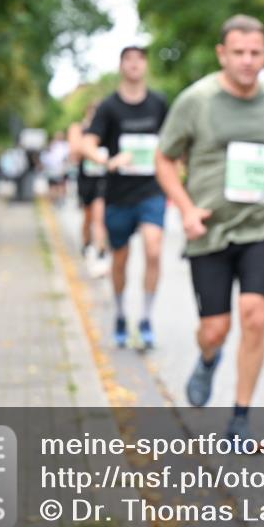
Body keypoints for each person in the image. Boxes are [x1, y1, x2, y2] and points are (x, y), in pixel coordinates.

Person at [155, 15, 264, 446]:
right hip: (208, 229)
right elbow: (164, 159)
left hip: (262, 224)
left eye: (255, 53)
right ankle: (208, 358)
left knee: (255, 316)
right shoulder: (196, 100)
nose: (247, 61)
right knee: (215, 328)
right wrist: (186, 209)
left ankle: (240, 419)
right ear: (222, 54)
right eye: (238, 53)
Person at [82, 46, 169, 350]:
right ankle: (120, 313)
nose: (134, 65)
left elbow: (173, 140)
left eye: (139, 59)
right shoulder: (109, 107)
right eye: (128, 60)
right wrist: (108, 160)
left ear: (145, 65)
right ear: (121, 66)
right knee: (120, 260)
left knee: (154, 249)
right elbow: (87, 144)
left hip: (152, 190)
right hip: (118, 194)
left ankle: (145, 318)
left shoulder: (159, 103)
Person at [68, 102, 110, 278]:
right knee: (88, 217)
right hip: (86, 179)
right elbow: (74, 152)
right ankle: (86, 245)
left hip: (103, 178)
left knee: (100, 217)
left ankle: (101, 253)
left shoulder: (108, 129)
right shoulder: (79, 128)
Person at [42, 131, 70, 205]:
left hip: (60, 169)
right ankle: (54, 202)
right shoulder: (53, 145)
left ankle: (59, 201)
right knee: (54, 186)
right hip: (53, 169)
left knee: (59, 186)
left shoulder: (64, 145)